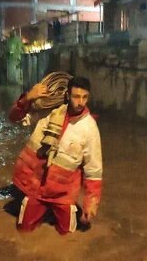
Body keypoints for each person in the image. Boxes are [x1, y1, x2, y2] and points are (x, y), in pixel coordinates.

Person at [12, 77, 102, 235]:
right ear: (67, 95)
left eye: (85, 97)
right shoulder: (48, 111)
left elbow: (93, 170)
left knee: (67, 235)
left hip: (63, 194)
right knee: (24, 230)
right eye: (76, 96)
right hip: (37, 188)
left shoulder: (90, 129)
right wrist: (27, 98)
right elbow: (14, 117)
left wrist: (90, 203)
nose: (81, 102)